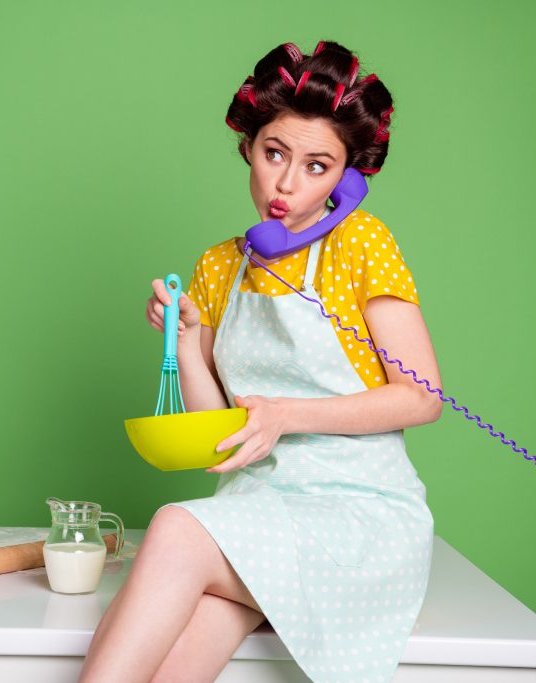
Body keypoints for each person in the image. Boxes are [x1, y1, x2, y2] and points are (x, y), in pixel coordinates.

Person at [80, 40, 442, 683]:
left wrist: (284, 413)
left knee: (174, 526)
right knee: (191, 636)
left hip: (357, 521)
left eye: (316, 165)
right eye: (275, 153)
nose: (285, 183)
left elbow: (422, 397)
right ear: (249, 146)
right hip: (257, 514)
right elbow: (219, 434)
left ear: (346, 179)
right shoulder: (220, 265)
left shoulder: (362, 241)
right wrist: (188, 342)